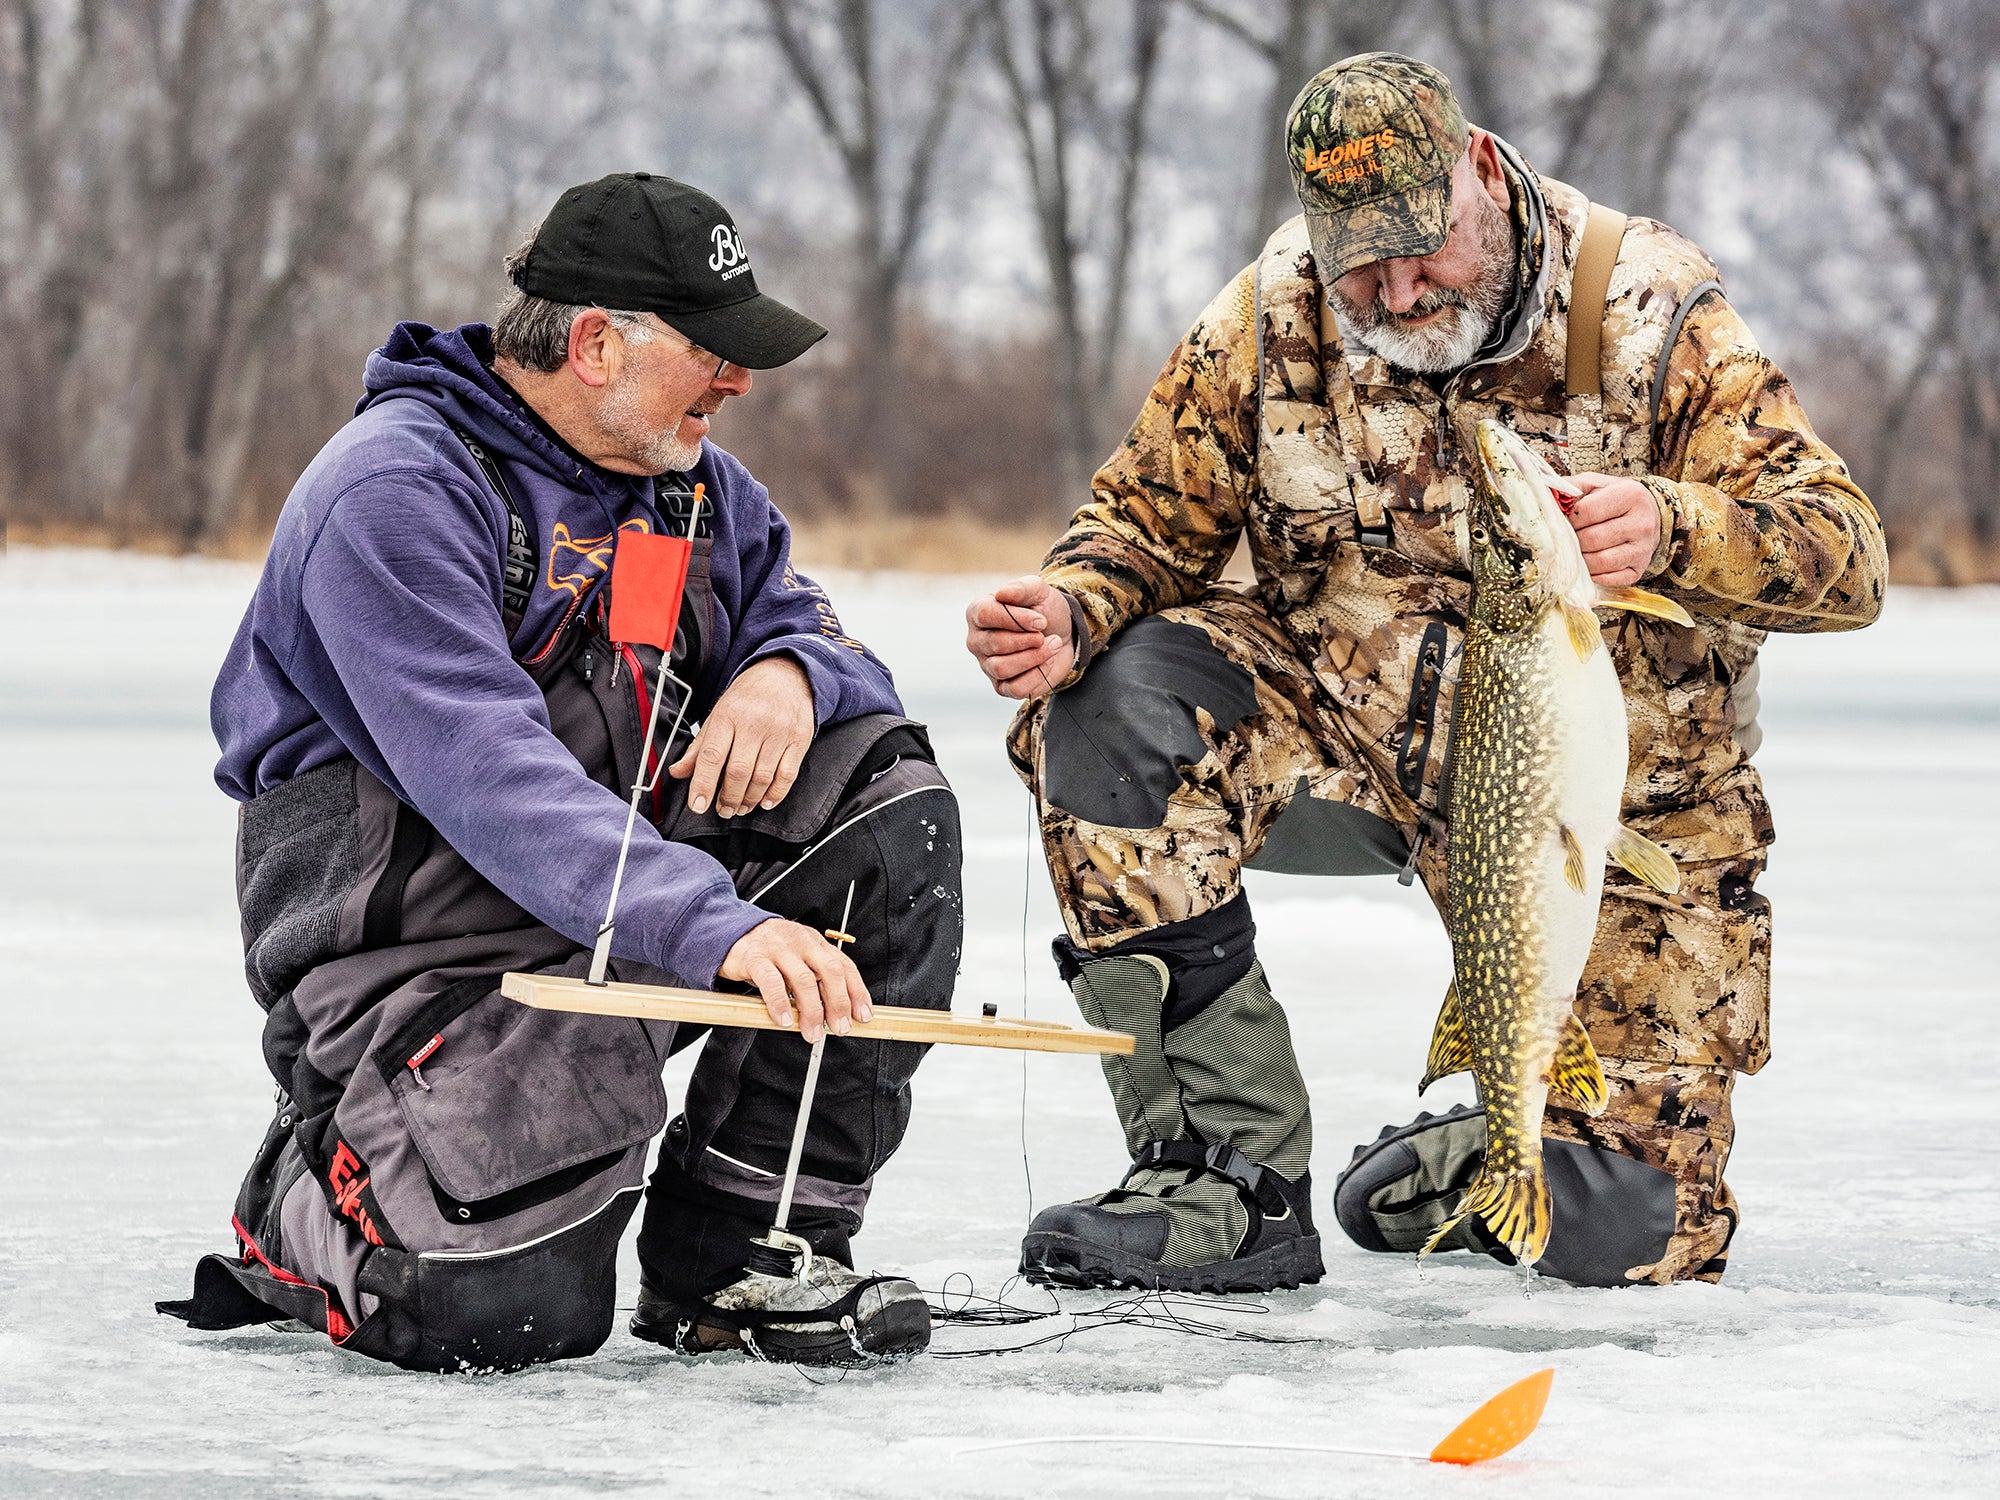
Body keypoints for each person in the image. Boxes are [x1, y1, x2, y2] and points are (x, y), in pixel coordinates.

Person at [965, 54, 1885, 1292]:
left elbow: (1848, 553)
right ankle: (1223, 1181)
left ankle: (1516, 1138)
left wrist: (1676, 529)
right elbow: (1137, 528)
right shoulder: (1267, 314)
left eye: (1422, 248)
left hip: (1607, 822)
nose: (1396, 291)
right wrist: (1071, 611)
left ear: (1485, 173)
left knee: (1617, 1238)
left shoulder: (1643, 304)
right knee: (1115, 704)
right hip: (1349, 754)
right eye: (1360, 261)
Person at [159, 173, 962, 1370]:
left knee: (888, 803)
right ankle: (310, 1190)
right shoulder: (393, 493)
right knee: (495, 1320)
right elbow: (489, 774)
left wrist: (788, 670)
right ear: (594, 344)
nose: (738, 382)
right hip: (415, 949)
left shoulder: (696, 490)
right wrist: (718, 929)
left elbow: (824, 631)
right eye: (713, 351)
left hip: (614, 913)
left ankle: (743, 1258)